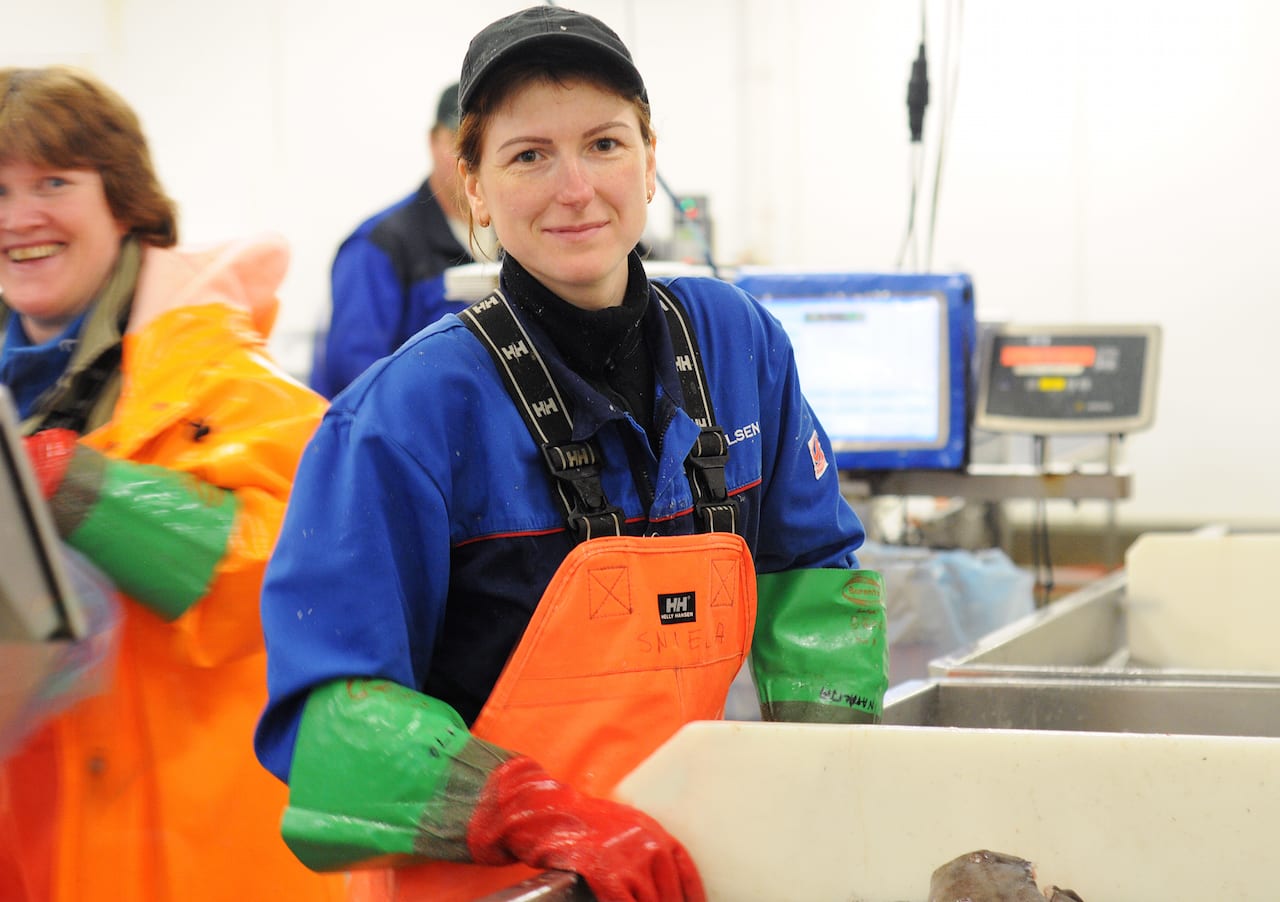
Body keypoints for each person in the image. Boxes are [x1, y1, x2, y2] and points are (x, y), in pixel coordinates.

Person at [254, 7, 889, 902]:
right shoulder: (402, 416)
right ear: (473, 188)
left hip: (679, 871)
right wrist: (538, 814)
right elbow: (331, 723)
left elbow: (815, 578)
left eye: (604, 144)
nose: (576, 188)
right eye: (528, 156)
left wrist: (821, 794)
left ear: (650, 161)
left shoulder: (739, 345)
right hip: (483, 886)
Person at [0, 66, 344, 902]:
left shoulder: (225, 379)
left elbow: (301, 567)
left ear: (123, 202)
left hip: (198, 856)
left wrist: (78, 488)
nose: (19, 216)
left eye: (53, 181)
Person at [309, 81, 496, 399]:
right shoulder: (378, 247)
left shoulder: (513, 237)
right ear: (433, 141)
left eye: (484, 143)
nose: (471, 159)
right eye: (459, 140)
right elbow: (356, 381)